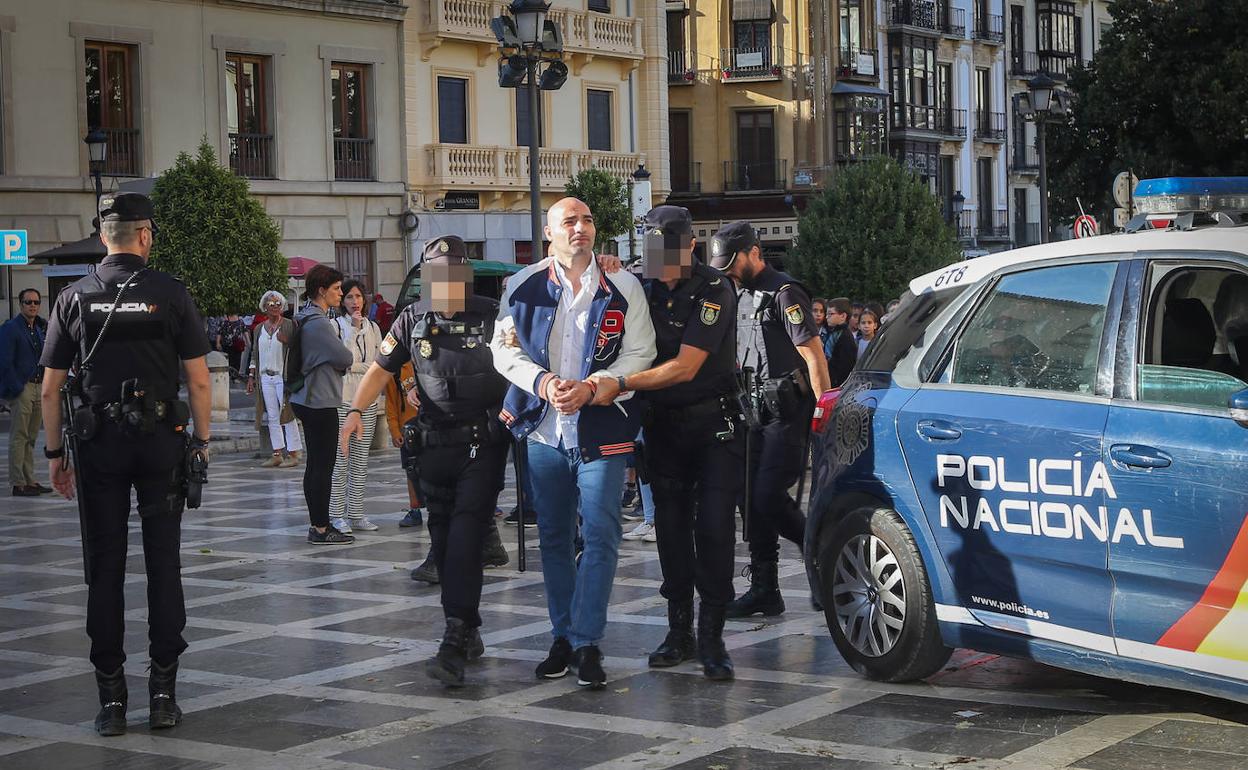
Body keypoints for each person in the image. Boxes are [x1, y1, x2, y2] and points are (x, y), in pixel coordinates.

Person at [37, 192, 212, 736]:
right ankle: (163, 695)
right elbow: (200, 379)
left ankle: (111, 701)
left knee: (104, 569)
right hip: (160, 444)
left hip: (98, 447)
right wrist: (201, 441)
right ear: (145, 235)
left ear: (105, 236)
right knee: (164, 565)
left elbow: (49, 389)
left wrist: (53, 455)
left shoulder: (74, 296)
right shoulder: (171, 294)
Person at [490, 197, 656, 690]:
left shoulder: (624, 284)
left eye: (587, 219)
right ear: (550, 233)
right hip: (543, 428)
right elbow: (503, 348)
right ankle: (562, 635)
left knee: (603, 533)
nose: (580, 227)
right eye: (569, 221)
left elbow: (641, 350)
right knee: (556, 538)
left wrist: (597, 383)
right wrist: (541, 383)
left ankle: (586, 640)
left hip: (603, 425)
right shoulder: (520, 286)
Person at [340, 235, 510, 687]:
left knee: (466, 535)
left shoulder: (493, 315)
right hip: (433, 447)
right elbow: (381, 368)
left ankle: (454, 636)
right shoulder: (413, 318)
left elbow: (520, 369)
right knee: (444, 536)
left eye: (454, 274)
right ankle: (468, 628)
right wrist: (356, 411)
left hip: (482, 443)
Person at [588, 205, 742, 681]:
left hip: (714, 426)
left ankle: (713, 634)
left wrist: (623, 383)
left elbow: (686, 366)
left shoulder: (716, 288)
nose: (658, 262)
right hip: (664, 428)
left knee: (714, 529)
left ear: (689, 246)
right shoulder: (641, 283)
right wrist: (604, 266)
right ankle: (680, 631)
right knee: (671, 531)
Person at [709, 221, 830, 618]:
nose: (727, 270)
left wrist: (824, 410)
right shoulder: (735, 292)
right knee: (751, 501)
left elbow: (813, 355)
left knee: (767, 496)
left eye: (733, 261)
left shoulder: (784, 292)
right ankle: (765, 588)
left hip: (787, 415)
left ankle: (823, 560)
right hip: (751, 413)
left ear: (755, 252)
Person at [290, 264, 354, 545]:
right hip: (319, 400)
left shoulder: (304, 316)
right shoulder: (318, 322)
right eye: (337, 289)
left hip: (306, 397)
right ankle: (320, 527)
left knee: (315, 464)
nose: (341, 294)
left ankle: (318, 524)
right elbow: (344, 357)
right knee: (322, 466)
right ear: (321, 291)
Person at [328, 280, 384, 534]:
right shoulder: (335, 327)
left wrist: (361, 367)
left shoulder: (373, 327)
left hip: (367, 400)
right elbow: (344, 360)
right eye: (349, 297)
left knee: (361, 460)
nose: (354, 301)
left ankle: (356, 513)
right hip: (342, 400)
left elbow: (379, 363)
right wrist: (353, 329)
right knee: (341, 460)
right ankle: (336, 514)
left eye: (358, 296)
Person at [1, 288, 50, 496]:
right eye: (28, 302)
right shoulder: (11, 328)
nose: (32, 305)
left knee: (31, 436)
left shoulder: (38, 328)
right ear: (20, 304)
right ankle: (18, 482)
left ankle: (30, 479)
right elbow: (4, 361)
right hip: (22, 387)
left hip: (38, 385)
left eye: (36, 302)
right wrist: (17, 387)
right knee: (19, 436)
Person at [244, 291, 302, 468]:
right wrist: (251, 376)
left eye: (278, 303)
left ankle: (293, 453)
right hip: (265, 377)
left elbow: (299, 348)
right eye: (271, 304)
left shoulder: (290, 325)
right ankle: (277, 452)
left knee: (288, 414)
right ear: (265, 307)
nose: (276, 306)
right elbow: (255, 353)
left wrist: (287, 341)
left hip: (282, 377)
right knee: (272, 415)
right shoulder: (259, 329)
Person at [385, 360, 426, 527]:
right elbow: (391, 402)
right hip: (407, 427)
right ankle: (414, 509)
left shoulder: (425, 363)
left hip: (431, 422)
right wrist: (395, 430)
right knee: (411, 469)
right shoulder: (394, 371)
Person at [825, 297, 859, 388]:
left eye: (831, 314)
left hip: (838, 383)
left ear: (843, 316)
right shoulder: (833, 333)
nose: (826, 317)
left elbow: (846, 366)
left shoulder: (845, 337)